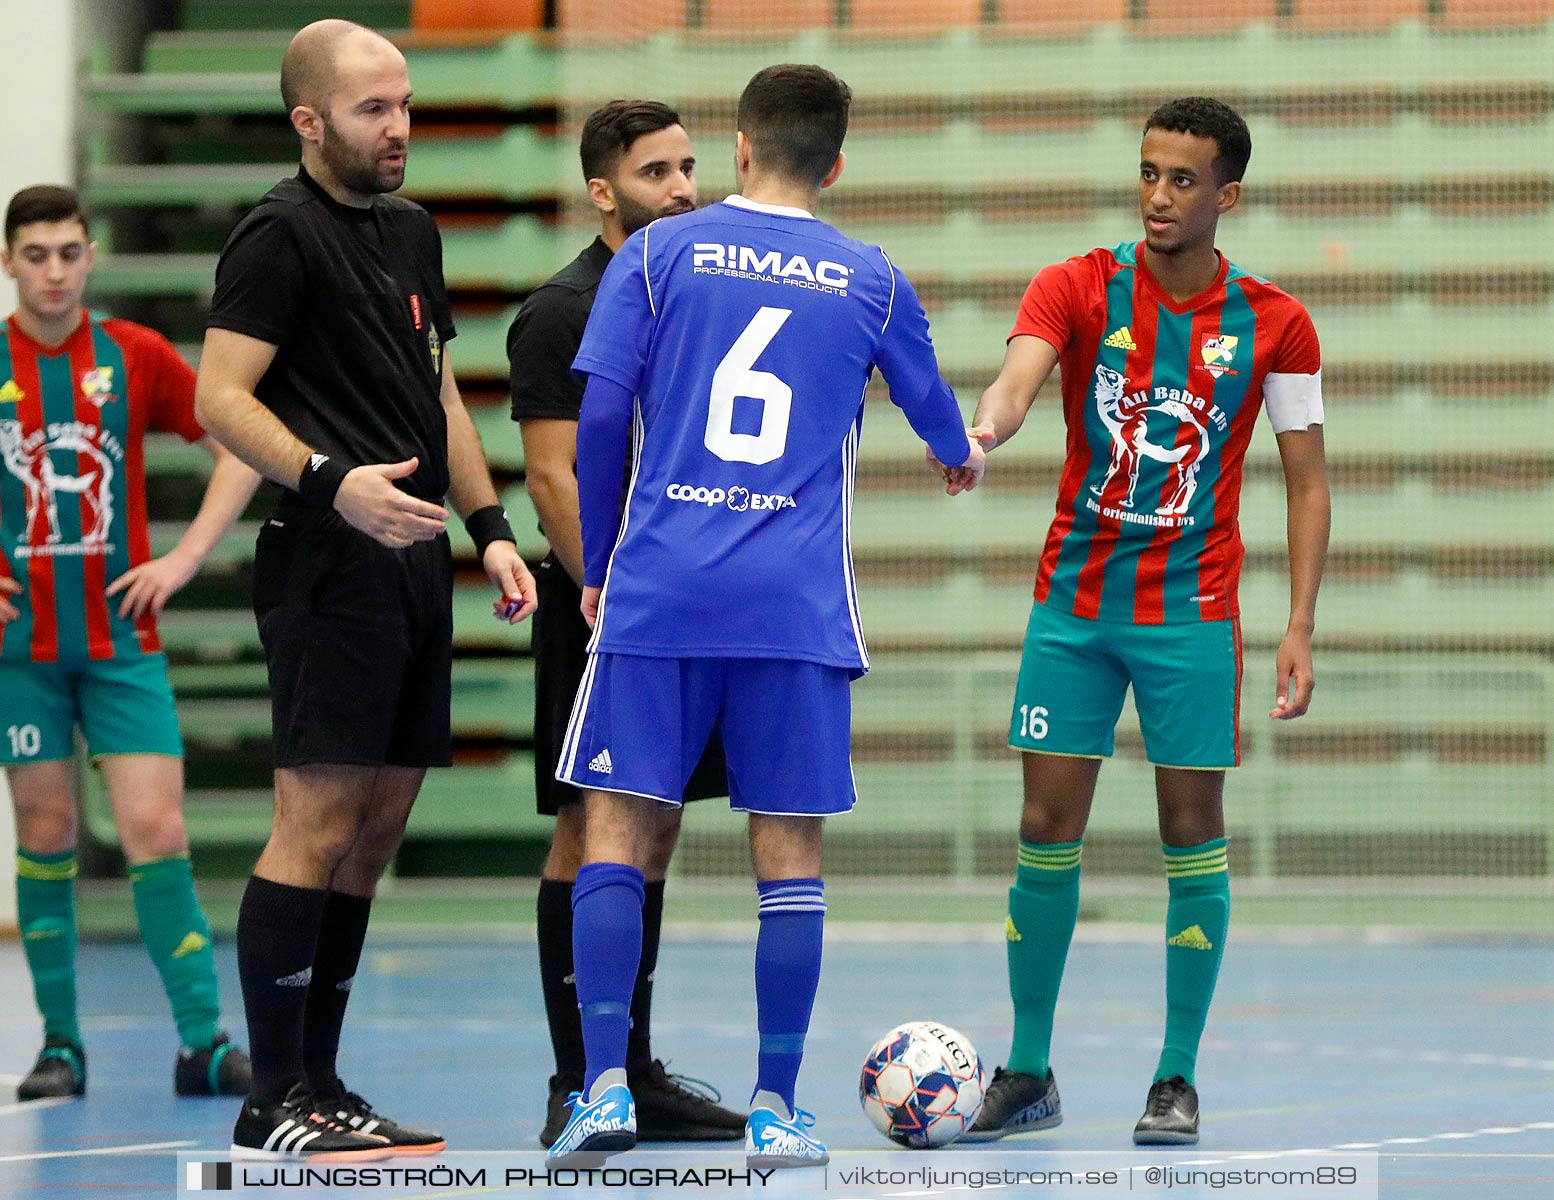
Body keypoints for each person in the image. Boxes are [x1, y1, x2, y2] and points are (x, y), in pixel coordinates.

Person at [547, 64, 986, 1169]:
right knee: (786, 855)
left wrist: (599, 561)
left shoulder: (654, 253)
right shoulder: (871, 278)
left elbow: (601, 416)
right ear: (834, 165)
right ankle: (773, 1106)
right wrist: (956, 455)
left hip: (660, 590)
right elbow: (935, 411)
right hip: (793, 605)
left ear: (739, 149)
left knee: (618, 830)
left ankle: (602, 1088)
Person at [955, 96, 1330, 1147]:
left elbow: (1307, 485)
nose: (1159, 196)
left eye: (1182, 179)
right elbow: (1018, 380)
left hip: (1193, 617)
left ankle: (1175, 1079)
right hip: (1073, 608)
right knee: (1044, 831)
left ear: (1228, 194)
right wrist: (984, 428)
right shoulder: (1077, 285)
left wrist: (1299, 623)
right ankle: (1028, 1070)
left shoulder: (1279, 323)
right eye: (1149, 173)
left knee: (1188, 835)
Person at [194, 20, 537, 1161]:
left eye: (403, 105)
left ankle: (324, 1084)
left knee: (376, 828)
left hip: (413, 565)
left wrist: (490, 529)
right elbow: (221, 400)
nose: (399, 128)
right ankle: (271, 1098)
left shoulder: (413, 231)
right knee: (318, 820)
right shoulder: (275, 238)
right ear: (309, 121)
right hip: (326, 562)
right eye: (372, 111)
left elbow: (439, 400)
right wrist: (332, 481)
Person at [509, 99, 744, 1148]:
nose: (683, 189)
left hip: (691, 607)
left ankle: (633, 1068)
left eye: (689, 167)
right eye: (657, 173)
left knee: (658, 828)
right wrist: (604, 590)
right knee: (594, 826)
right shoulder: (562, 310)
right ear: (603, 191)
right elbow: (555, 476)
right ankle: (579, 1078)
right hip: (607, 617)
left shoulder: (699, 290)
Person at [0, 184, 258, 1102]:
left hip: (121, 640)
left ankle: (203, 1043)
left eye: (70, 252)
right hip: (20, 652)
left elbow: (238, 442)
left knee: (156, 829)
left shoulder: (130, 354)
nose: (56, 272)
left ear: (92, 255)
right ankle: (60, 1047)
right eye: (36, 255)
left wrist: (186, 557)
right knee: (46, 831)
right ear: (9, 262)